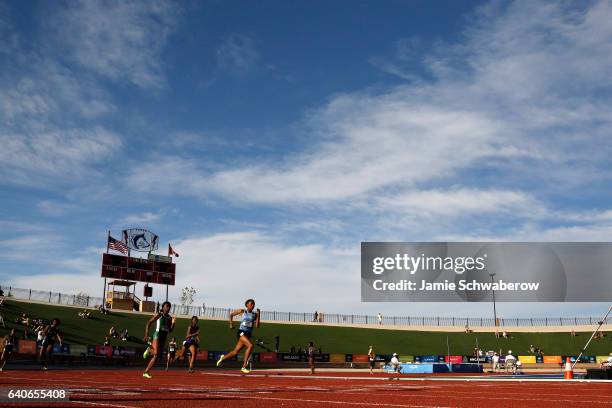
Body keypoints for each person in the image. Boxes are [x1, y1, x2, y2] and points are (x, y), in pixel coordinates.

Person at [216, 298, 261, 374]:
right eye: (251, 304)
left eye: (254, 304)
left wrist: (259, 315)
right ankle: (243, 366)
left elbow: (257, 326)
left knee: (235, 352)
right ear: (247, 305)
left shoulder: (254, 315)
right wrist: (231, 323)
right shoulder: (242, 311)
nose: (253, 305)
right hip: (241, 332)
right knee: (250, 346)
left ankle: (222, 358)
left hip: (248, 334)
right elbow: (231, 315)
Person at [142, 301, 176, 379]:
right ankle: (149, 350)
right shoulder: (159, 315)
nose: (168, 308)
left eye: (169, 307)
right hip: (157, 335)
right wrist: (146, 334)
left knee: (156, 356)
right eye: (166, 306)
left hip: (164, 337)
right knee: (156, 353)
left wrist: (173, 324)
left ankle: (146, 372)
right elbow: (149, 322)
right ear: (163, 307)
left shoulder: (170, 318)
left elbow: (170, 330)